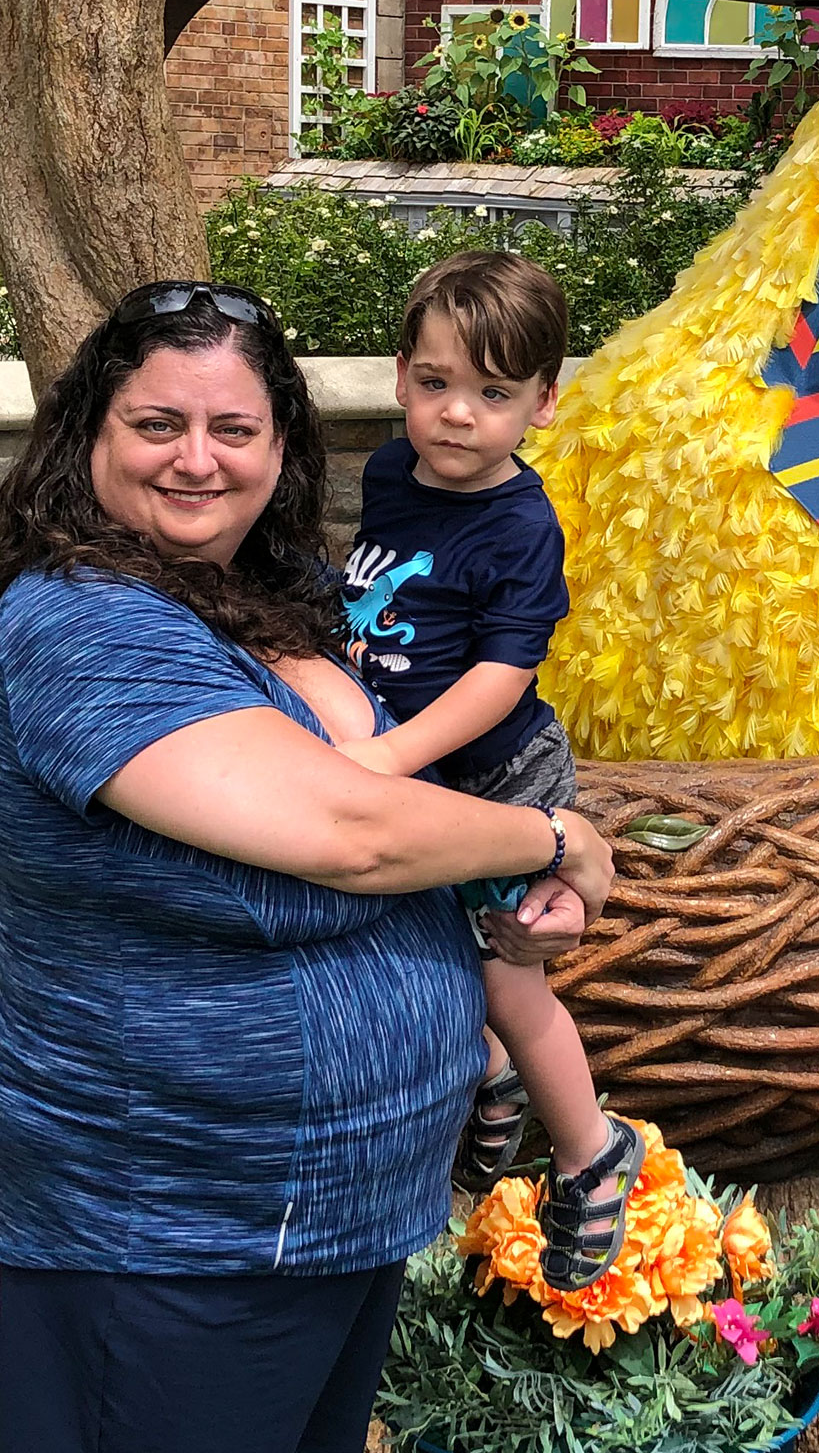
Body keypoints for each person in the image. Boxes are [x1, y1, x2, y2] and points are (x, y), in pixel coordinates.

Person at [0, 279, 616, 1453]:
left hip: (334, 1213)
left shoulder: (273, 589)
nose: (196, 461)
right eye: (158, 425)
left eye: (235, 429)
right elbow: (349, 831)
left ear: (282, 445)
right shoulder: (80, 620)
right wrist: (557, 839)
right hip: (178, 1228)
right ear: (88, 432)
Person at [328, 251, 641, 1290]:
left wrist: (388, 756)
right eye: (434, 384)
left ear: (544, 403)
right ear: (403, 376)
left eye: (493, 394)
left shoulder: (520, 524)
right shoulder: (386, 475)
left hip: (500, 774)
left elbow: (502, 677)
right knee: (420, 940)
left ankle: (594, 1154)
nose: (456, 415)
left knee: (509, 975)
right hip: (413, 770)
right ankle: (494, 1079)